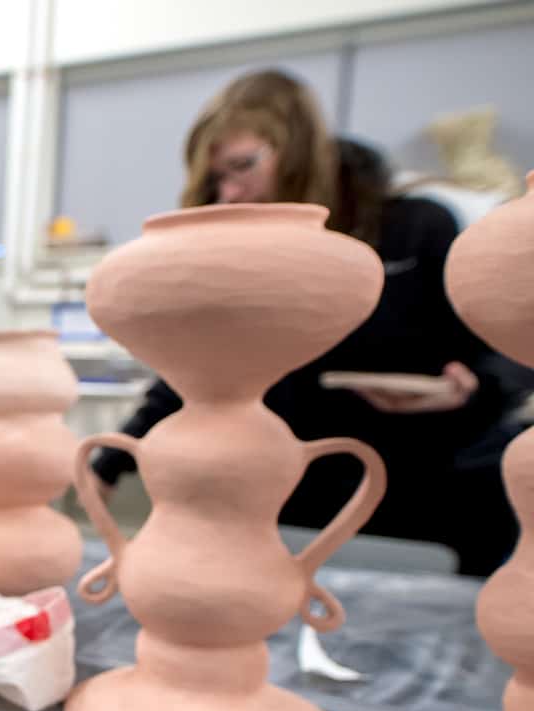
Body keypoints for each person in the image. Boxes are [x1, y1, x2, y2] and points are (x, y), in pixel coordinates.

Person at [91, 70, 517, 575]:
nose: (229, 192)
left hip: (414, 490)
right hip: (286, 497)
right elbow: (195, 372)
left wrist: (470, 387)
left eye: (241, 167)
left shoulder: (413, 229)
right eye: (215, 180)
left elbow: (505, 346)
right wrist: (109, 464)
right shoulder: (241, 257)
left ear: (295, 150)